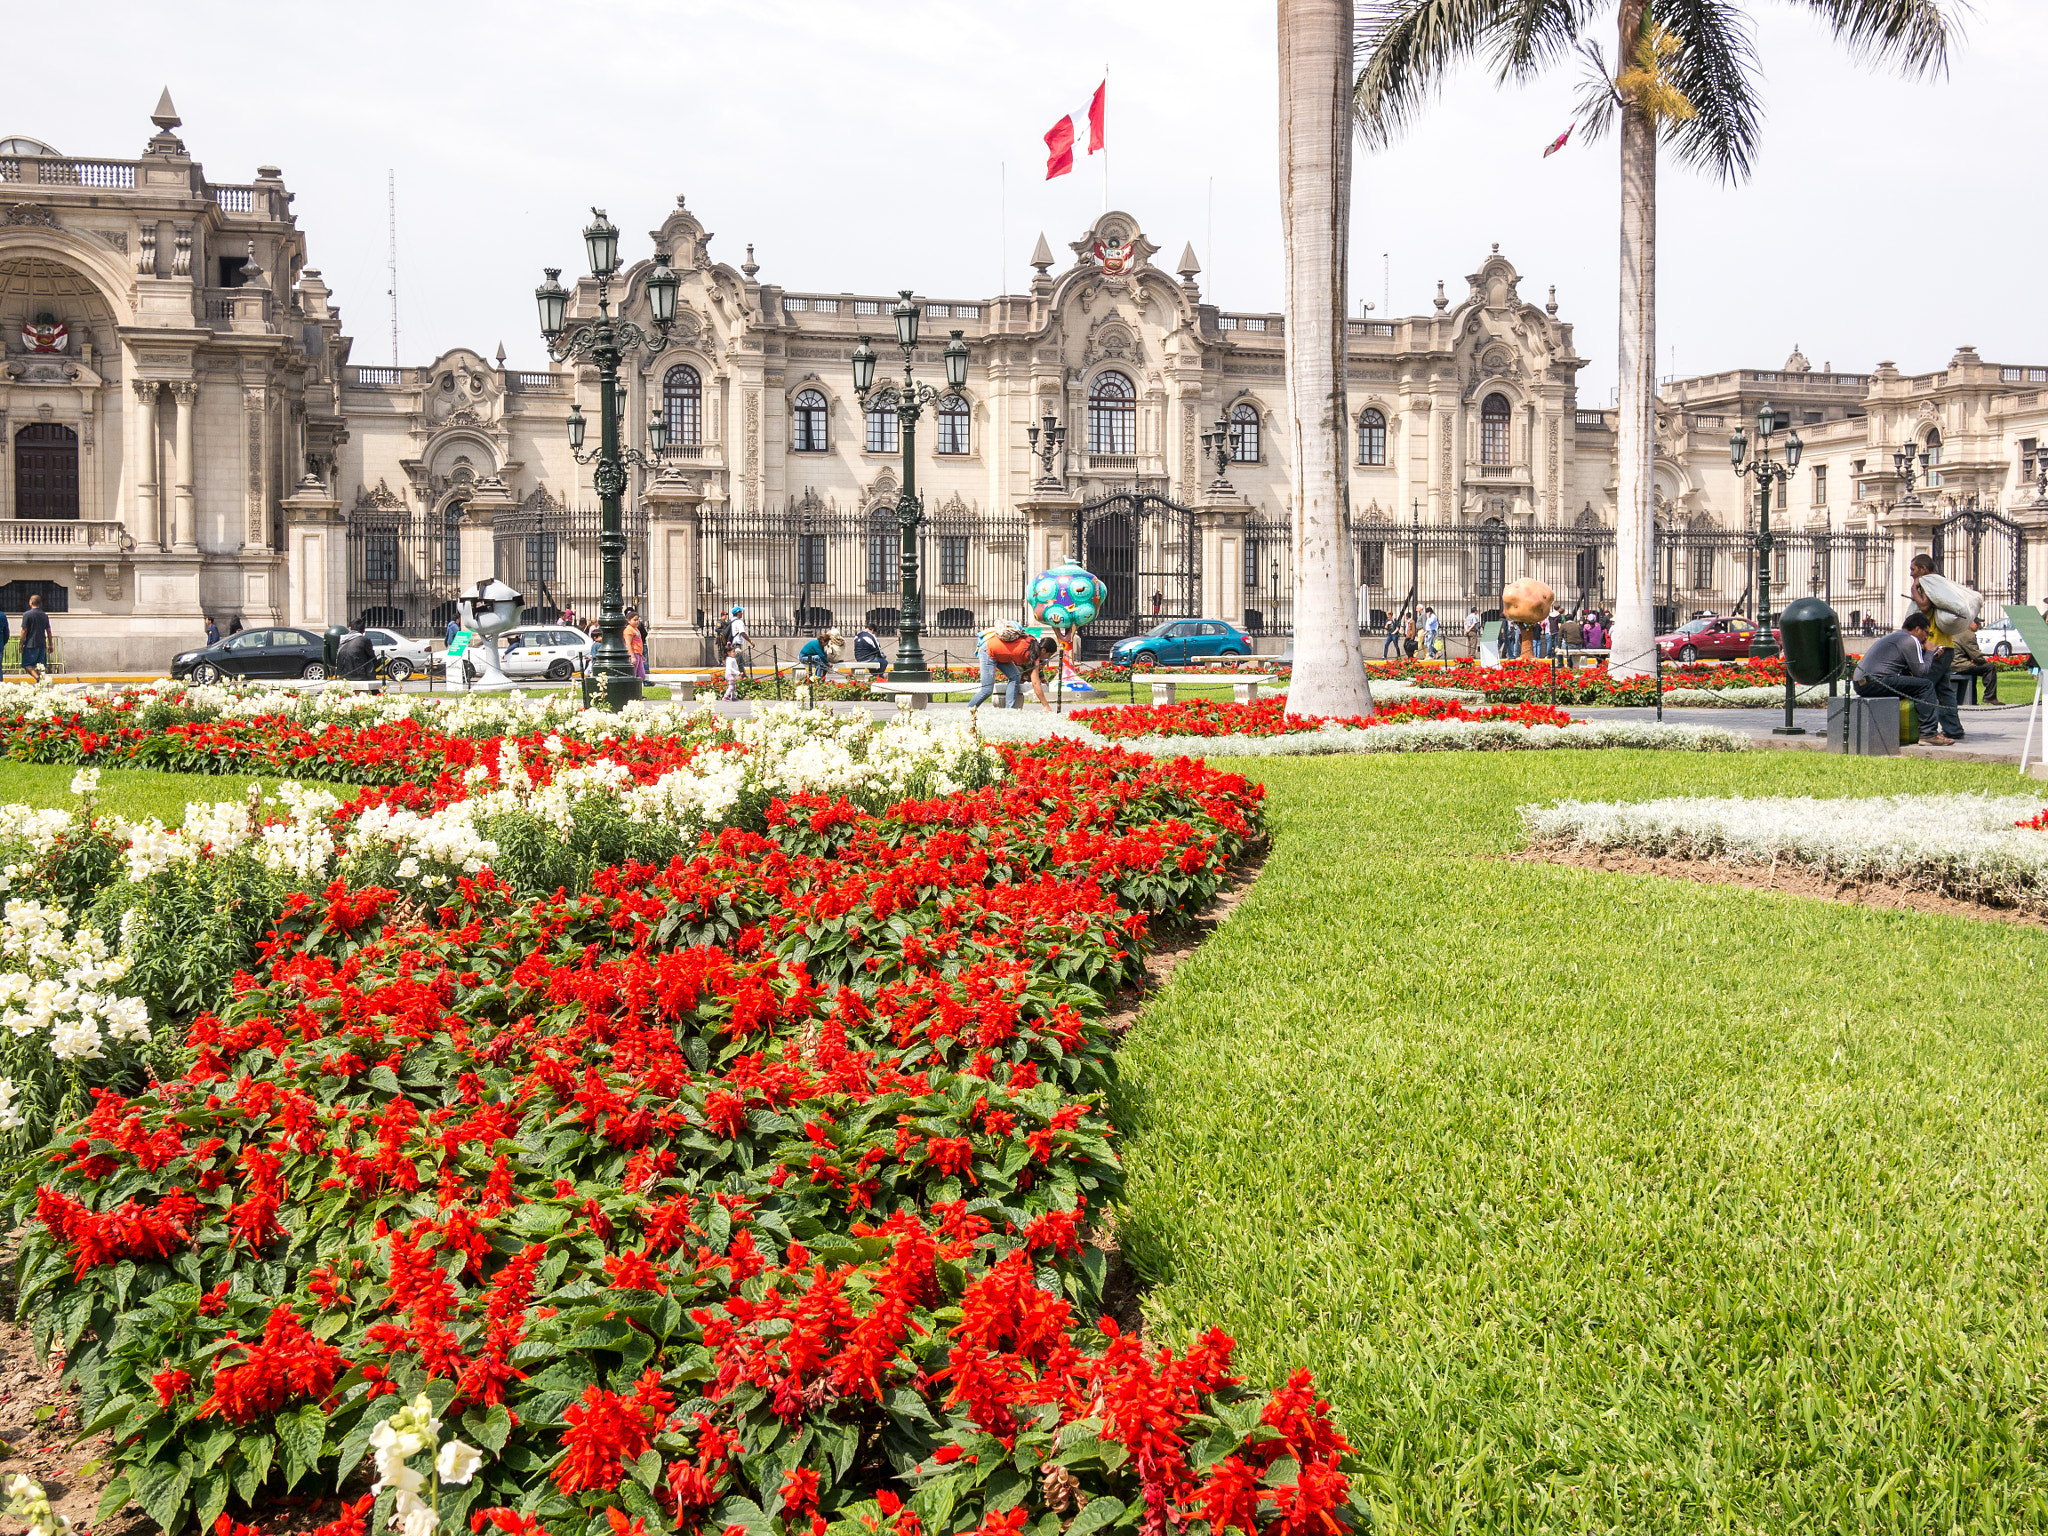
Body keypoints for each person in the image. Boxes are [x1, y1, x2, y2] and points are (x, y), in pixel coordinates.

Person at [1853, 611, 1958, 744]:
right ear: (1917, 629)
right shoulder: (1911, 639)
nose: (1927, 638)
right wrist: (1930, 652)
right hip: (1877, 682)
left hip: (1861, 684)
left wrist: (1929, 656)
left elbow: (1910, 669)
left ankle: (1911, 729)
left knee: (1910, 683)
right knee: (1926, 686)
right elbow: (1922, 673)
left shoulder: (1896, 636)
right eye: (1927, 632)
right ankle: (1928, 734)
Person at [968, 623, 1031, 709]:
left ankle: (1010, 710)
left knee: (1015, 676)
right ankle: (968, 711)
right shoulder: (1026, 646)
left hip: (1000, 652)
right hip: (989, 652)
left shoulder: (1026, 642)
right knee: (986, 690)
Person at [1025, 633, 1061, 711]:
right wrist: (1046, 706)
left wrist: (1043, 679)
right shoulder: (1033, 654)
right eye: (1049, 655)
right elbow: (1035, 679)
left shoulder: (1041, 657)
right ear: (1043, 650)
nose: (1048, 658)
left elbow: (1039, 671)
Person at [20, 593, 51, 676]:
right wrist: (50, 644)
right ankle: (41, 681)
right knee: (40, 666)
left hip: (30, 644)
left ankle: (37, 678)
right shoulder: (44, 615)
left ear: (31, 602)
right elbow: (48, 631)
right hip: (42, 644)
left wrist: (21, 643)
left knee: (27, 664)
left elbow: (24, 630)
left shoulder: (27, 615)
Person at [625, 607, 647, 681]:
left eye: (638, 620)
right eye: (634, 620)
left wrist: (641, 655)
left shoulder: (636, 629)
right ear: (628, 621)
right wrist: (632, 656)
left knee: (641, 674)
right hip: (633, 654)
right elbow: (628, 644)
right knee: (633, 674)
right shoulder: (629, 630)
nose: (637, 622)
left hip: (638, 654)